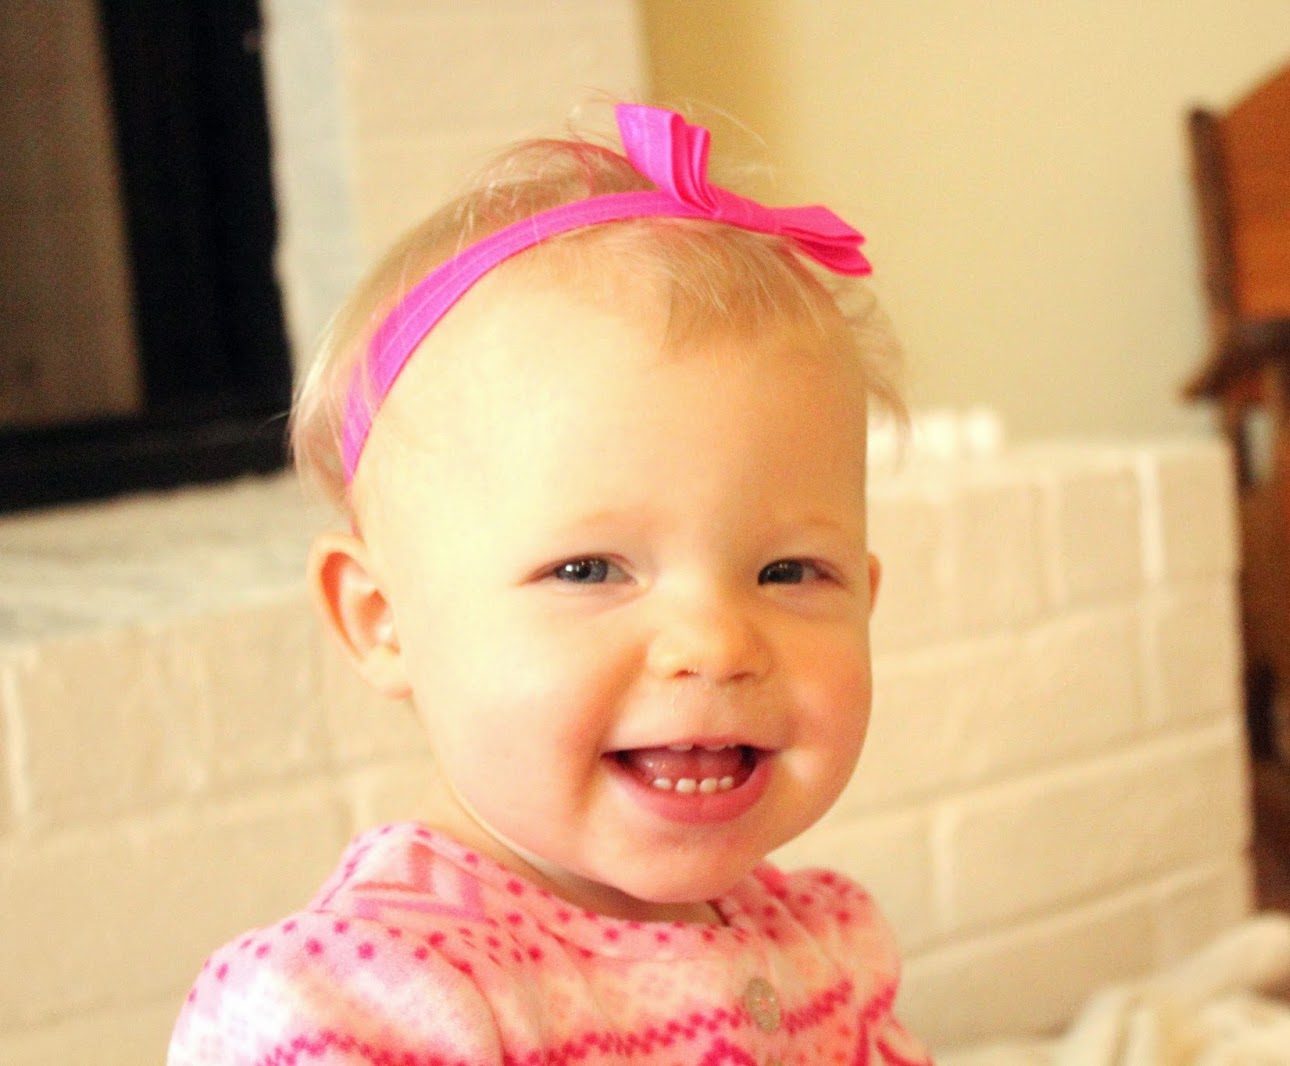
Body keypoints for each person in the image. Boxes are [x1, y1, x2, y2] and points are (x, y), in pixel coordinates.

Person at [168, 103, 930, 1065]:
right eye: (588, 569)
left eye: (789, 571)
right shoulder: (375, 1003)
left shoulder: (823, 952)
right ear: (381, 618)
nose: (715, 641)